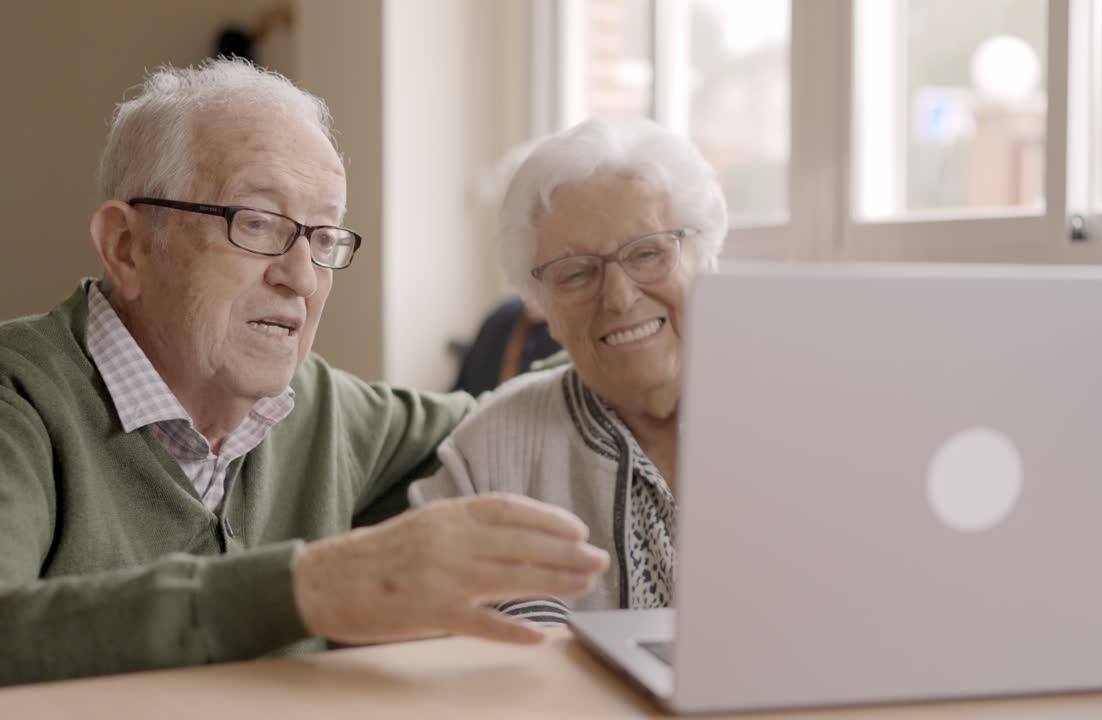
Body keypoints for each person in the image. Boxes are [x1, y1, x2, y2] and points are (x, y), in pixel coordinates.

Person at [0, 59, 608, 687]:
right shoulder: (18, 398)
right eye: (256, 223)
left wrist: (643, 316)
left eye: (323, 235)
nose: (301, 276)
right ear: (127, 246)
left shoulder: (322, 408)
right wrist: (309, 587)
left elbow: (511, 411)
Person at [409, 117, 727, 618]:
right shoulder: (489, 454)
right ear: (542, 309)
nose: (619, 298)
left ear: (704, 259)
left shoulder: (802, 416)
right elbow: (418, 629)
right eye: (575, 273)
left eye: (648, 253)